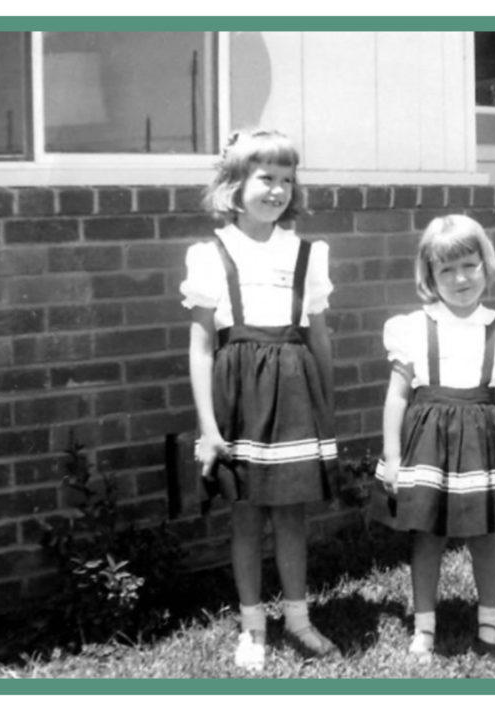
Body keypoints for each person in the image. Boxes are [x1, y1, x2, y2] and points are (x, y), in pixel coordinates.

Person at [181, 129, 339, 671]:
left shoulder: (307, 254)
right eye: (265, 178)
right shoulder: (210, 254)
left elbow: (319, 336)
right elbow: (202, 347)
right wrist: (208, 427)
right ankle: (253, 625)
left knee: (291, 515)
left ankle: (298, 617)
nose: (277, 190)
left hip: (295, 391)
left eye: (287, 180)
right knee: (247, 516)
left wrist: (325, 404)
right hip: (238, 392)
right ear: (234, 184)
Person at [370, 214, 495, 660]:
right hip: (428, 445)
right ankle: (424, 626)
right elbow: (396, 398)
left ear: (486, 265)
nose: (460, 278)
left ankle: (489, 619)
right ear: (429, 276)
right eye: (445, 269)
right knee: (428, 536)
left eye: (469, 264)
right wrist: (393, 456)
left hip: (482, 447)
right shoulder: (412, 328)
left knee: (483, 537)